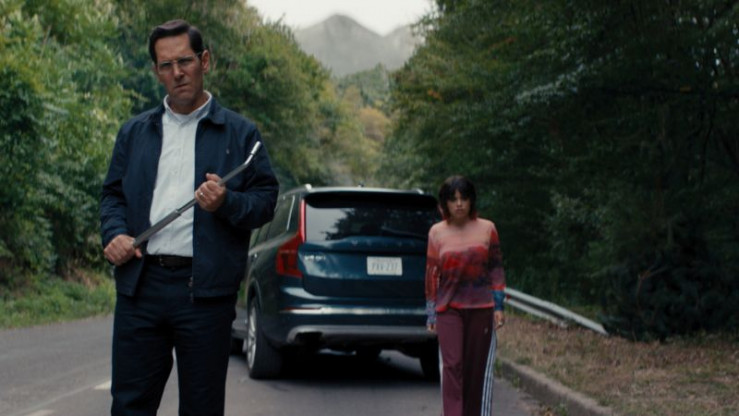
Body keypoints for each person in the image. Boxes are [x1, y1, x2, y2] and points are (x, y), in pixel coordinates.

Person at [100, 19, 279, 416]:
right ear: (156, 71)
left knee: (202, 408)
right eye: (166, 65)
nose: (177, 72)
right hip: (141, 287)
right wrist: (114, 233)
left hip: (206, 293)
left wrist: (227, 202)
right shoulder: (134, 132)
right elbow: (113, 195)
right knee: (129, 406)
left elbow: (266, 201)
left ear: (205, 61)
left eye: (185, 61)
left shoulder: (240, 134)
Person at [425, 175, 506, 416]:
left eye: (464, 198)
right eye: (453, 199)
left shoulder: (487, 229)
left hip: (481, 308)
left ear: (471, 201)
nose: (459, 204)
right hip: (448, 309)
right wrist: (430, 313)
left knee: (474, 370)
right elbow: (431, 274)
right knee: (452, 366)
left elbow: (496, 269)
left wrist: (499, 305)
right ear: (445, 204)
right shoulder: (437, 232)